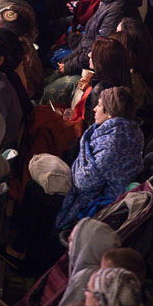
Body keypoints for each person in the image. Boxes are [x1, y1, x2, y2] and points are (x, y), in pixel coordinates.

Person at [56, 87, 143, 229]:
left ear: (110, 113)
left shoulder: (114, 141)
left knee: (37, 193)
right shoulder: (130, 130)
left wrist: (76, 165)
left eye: (99, 105)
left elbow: (84, 183)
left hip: (96, 204)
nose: (95, 109)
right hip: (95, 191)